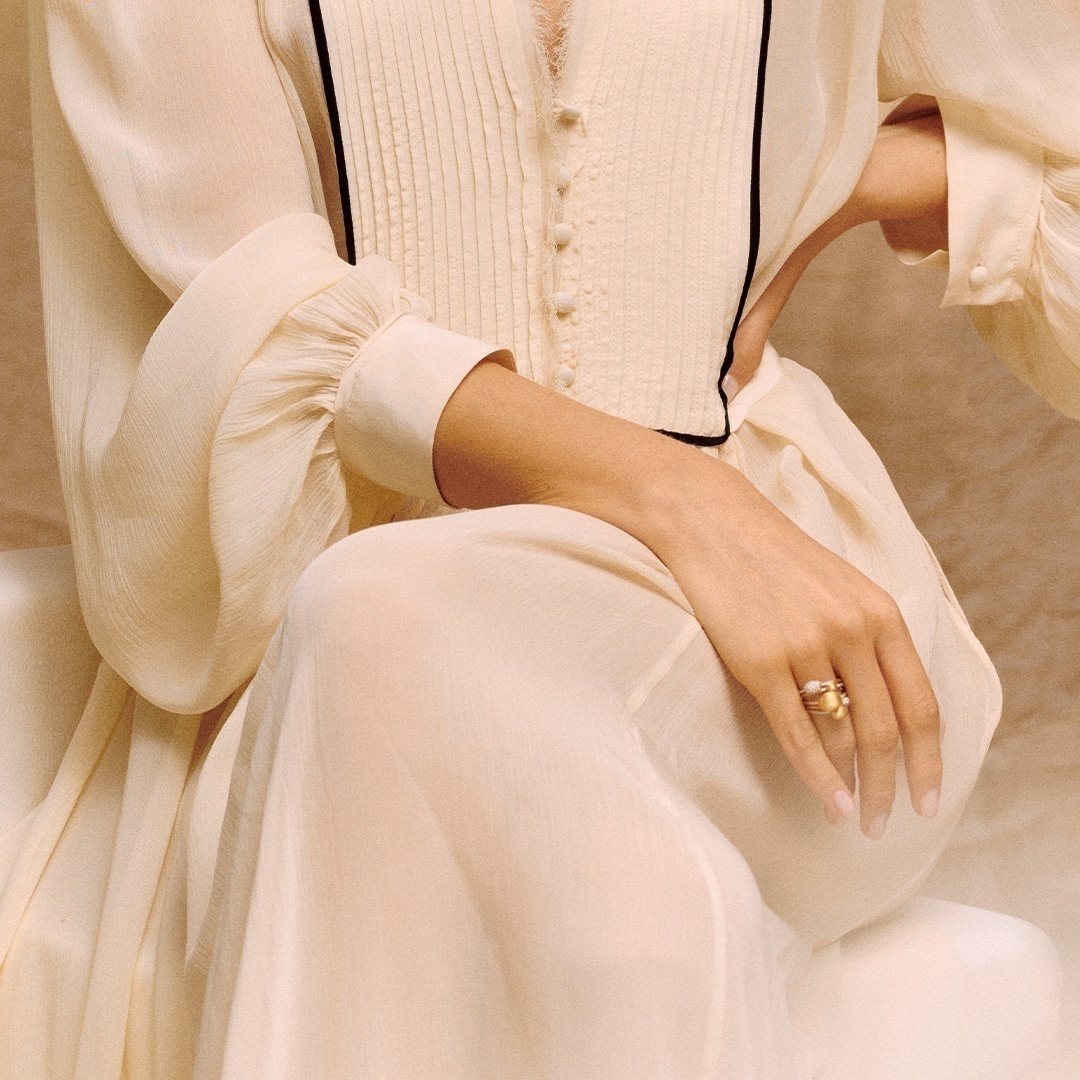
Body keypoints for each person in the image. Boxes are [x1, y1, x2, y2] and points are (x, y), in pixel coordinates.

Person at [3, 0, 1078, 1075]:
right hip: (355, 618)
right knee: (381, 620)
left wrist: (864, 170)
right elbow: (249, 308)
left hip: (774, 639)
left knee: (377, 622)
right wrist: (682, 500)